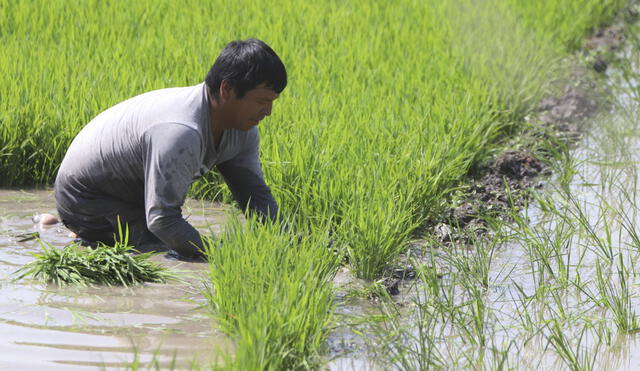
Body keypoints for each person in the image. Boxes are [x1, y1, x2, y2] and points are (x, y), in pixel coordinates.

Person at [53, 38, 286, 260]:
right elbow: (163, 220)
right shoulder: (181, 131)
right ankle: (87, 233)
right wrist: (221, 254)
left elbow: (255, 196)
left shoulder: (242, 129)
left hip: (132, 193)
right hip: (85, 197)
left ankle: (88, 236)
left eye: (272, 102)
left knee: (176, 242)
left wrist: (288, 242)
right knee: (159, 250)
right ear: (226, 89)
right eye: (261, 101)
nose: (268, 112)